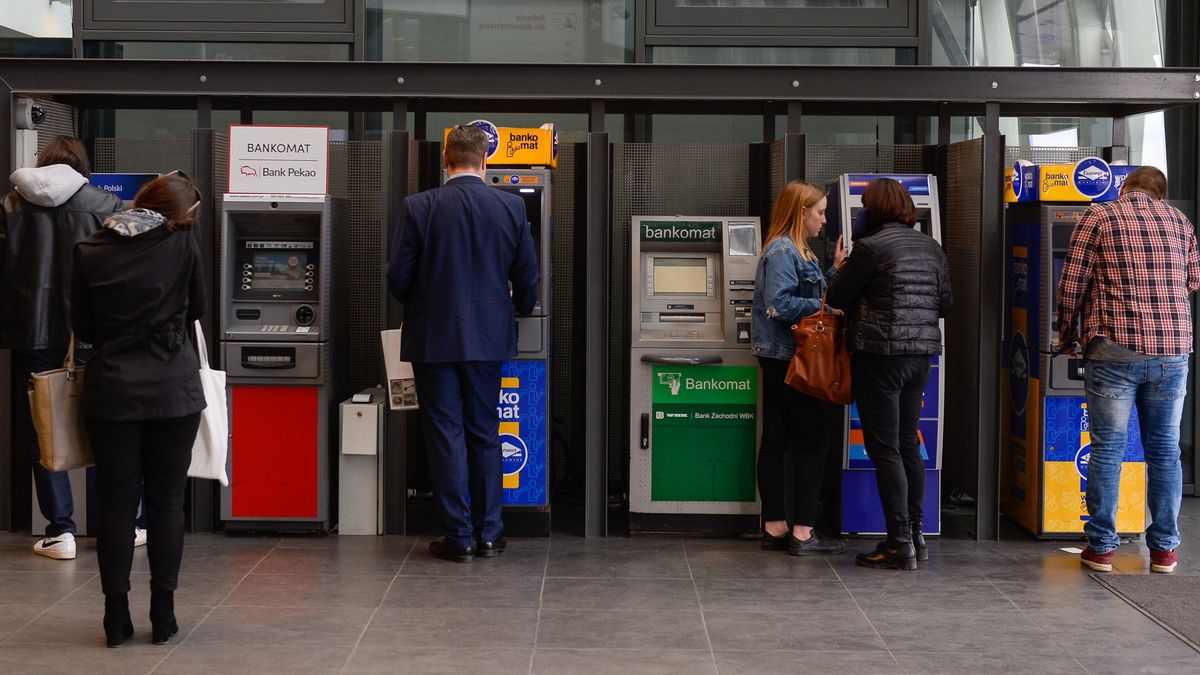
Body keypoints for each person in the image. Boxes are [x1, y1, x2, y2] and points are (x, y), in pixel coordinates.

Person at [386, 124, 539, 563]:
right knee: (485, 432)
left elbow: (398, 276)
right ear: (485, 161)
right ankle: (490, 533)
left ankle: (459, 537)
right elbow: (527, 276)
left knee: (445, 434)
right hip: (490, 338)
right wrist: (520, 309)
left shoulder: (419, 207)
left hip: (434, 338)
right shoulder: (510, 207)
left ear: (445, 160)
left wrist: (422, 298)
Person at [72, 172, 206, 646]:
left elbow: (82, 323)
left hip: (112, 391)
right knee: (168, 500)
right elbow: (197, 309)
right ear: (181, 213)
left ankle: (115, 617)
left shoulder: (89, 250)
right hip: (173, 390)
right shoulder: (183, 246)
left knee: (116, 502)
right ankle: (164, 615)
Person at [1056, 166, 1199, 574]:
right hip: (1172, 352)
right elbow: (1192, 280)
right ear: (1161, 194)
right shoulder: (1180, 221)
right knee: (1165, 452)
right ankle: (1165, 552)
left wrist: (1066, 334)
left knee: (1108, 450)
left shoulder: (1100, 216)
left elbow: (1071, 284)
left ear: (1124, 187)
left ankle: (1102, 548)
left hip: (1114, 349)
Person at [0, 136, 128, 560]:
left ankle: (61, 532)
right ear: (81, 165)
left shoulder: (12, 206)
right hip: (92, 334)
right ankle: (123, 525)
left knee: (45, 431)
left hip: (32, 335)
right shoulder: (105, 205)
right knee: (109, 428)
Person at [826, 178, 952, 571]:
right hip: (920, 357)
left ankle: (898, 542)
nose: (861, 211)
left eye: (864, 206)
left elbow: (836, 297)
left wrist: (841, 264)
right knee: (907, 444)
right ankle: (915, 535)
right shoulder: (932, 248)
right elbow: (945, 303)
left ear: (873, 211)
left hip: (880, 355)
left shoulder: (869, 248)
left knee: (885, 450)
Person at [751, 180, 847, 556]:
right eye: (820, 212)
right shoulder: (782, 250)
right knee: (812, 440)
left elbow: (810, 293)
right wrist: (825, 310)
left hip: (784, 354)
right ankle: (802, 532)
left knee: (779, 437)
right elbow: (780, 304)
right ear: (801, 212)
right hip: (788, 356)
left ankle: (776, 528)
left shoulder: (799, 251)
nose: (824, 220)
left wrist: (834, 271)